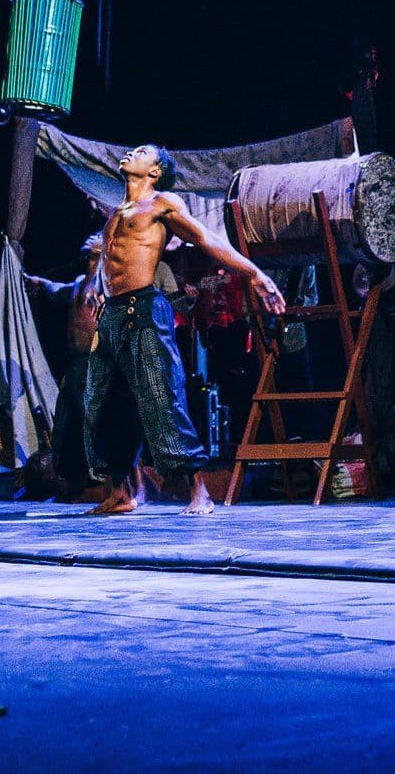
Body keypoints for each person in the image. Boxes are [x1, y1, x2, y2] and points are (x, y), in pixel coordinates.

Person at [88, 144, 286, 516]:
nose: (131, 153)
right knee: (103, 403)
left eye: (141, 152)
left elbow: (206, 239)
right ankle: (120, 492)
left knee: (161, 397)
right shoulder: (115, 213)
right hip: (112, 315)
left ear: (155, 171)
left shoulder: (162, 203)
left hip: (144, 309)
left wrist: (254, 273)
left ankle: (200, 491)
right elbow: (110, 263)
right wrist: (98, 289)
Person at [23, 232, 107, 495]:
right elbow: (58, 290)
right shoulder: (81, 282)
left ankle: (110, 485)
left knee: (93, 423)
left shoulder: (108, 284)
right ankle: (70, 485)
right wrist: (40, 282)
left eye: (95, 253)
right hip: (75, 365)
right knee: (65, 424)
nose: (89, 260)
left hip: (95, 363)